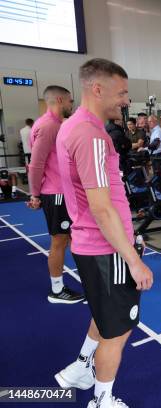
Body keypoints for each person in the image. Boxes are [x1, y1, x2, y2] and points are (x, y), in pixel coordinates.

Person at [55, 58, 153, 408]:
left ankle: (81, 368)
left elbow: (103, 198)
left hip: (96, 244)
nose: (126, 100)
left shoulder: (72, 126)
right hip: (105, 249)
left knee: (103, 315)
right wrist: (133, 259)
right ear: (98, 89)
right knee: (118, 331)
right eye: (122, 92)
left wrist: (129, 235)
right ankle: (102, 400)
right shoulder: (92, 135)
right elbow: (100, 206)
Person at [27, 85, 83, 304]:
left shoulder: (57, 124)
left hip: (62, 191)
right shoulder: (49, 125)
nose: (72, 105)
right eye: (70, 101)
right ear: (60, 100)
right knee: (59, 241)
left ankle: (84, 280)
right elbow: (36, 164)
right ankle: (57, 291)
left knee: (71, 238)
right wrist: (35, 195)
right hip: (56, 193)